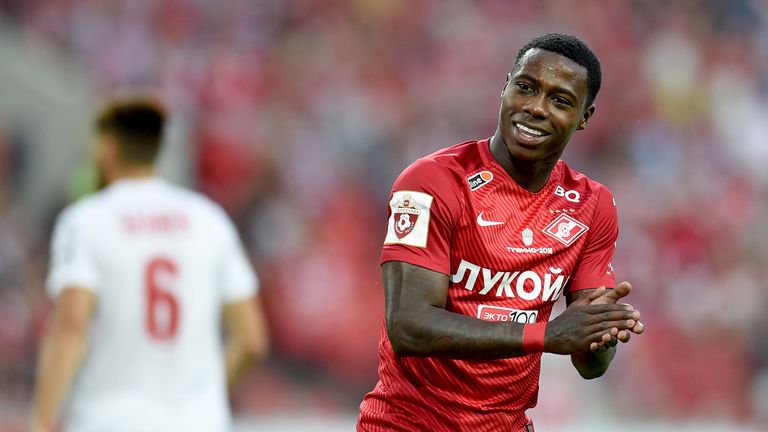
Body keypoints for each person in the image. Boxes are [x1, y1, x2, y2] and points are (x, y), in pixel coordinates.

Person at [358, 33, 645, 431]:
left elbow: (590, 366)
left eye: (560, 100)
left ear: (585, 117)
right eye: (525, 87)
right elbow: (408, 325)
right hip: (407, 424)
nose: (535, 108)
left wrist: (601, 331)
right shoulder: (432, 182)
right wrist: (544, 335)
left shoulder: (591, 205)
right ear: (505, 87)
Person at [29, 97, 269, 432]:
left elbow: (71, 324)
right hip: (199, 423)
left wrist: (40, 422)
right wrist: (208, 398)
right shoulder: (209, 219)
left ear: (107, 148)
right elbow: (252, 338)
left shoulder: (84, 221)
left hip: (108, 420)